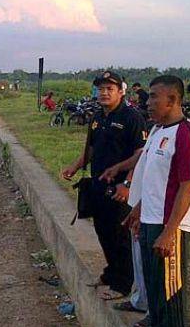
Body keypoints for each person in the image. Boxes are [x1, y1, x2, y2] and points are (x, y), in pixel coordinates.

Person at [123, 75, 190, 327]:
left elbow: (187, 185)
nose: (148, 102)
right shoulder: (158, 130)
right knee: (154, 279)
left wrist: (170, 231)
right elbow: (154, 179)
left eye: (155, 96)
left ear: (173, 100)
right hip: (150, 218)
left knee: (171, 286)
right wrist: (138, 208)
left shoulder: (187, 134)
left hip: (170, 224)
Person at [61, 71, 148, 300]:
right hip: (98, 185)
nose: (104, 93)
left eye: (109, 89)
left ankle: (123, 283)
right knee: (103, 232)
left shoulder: (132, 118)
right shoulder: (98, 117)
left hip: (120, 189)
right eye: (101, 89)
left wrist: (128, 183)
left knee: (120, 235)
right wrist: (74, 166)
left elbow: (141, 154)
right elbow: (90, 149)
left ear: (121, 91)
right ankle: (111, 273)